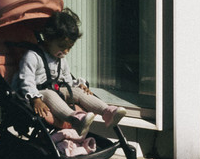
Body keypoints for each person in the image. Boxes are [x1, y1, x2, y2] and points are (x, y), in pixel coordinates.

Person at [14, 8, 124, 137]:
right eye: (62, 46)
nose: (66, 51)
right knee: (50, 93)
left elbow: (66, 79)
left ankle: (107, 111)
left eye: (69, 47)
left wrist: (77, 87)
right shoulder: (32, 56)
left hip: (55, 90)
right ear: (48, 39)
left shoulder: (60, 58)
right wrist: (35, 99)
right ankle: (75, 119)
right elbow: (26, 80)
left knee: (78, 91)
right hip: (34, 94)